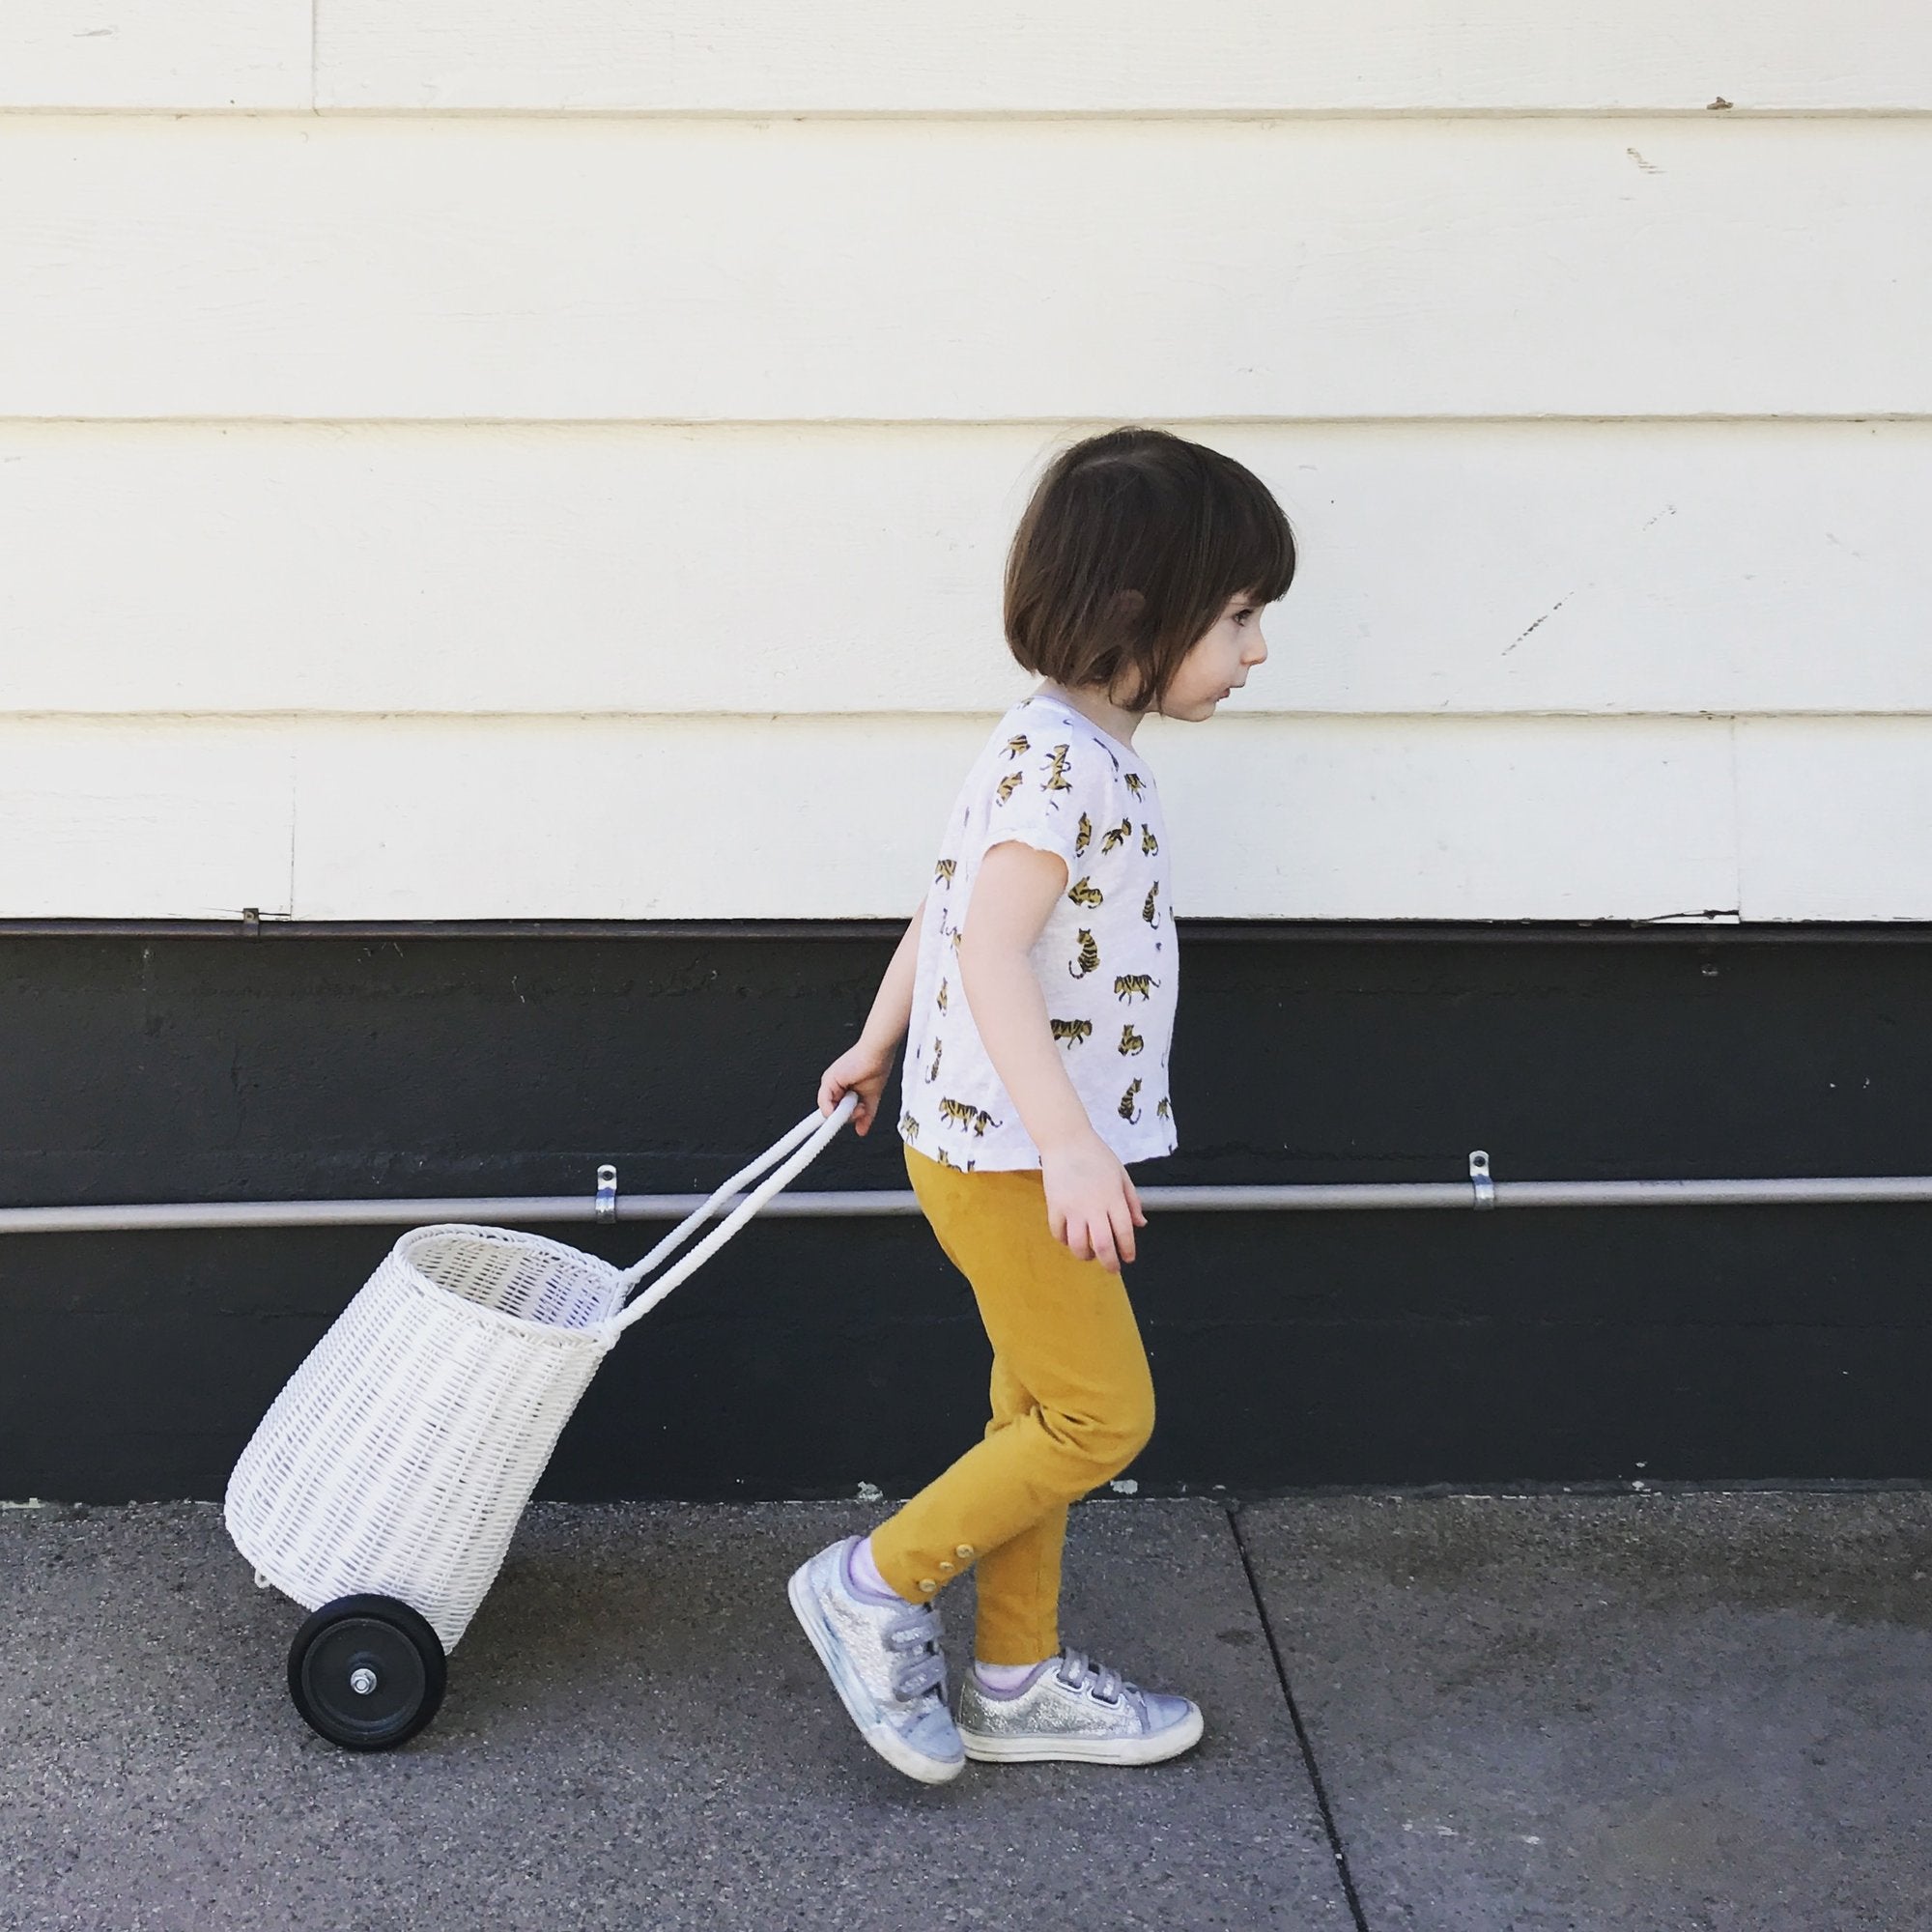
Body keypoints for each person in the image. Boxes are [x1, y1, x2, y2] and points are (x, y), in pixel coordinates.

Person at [788, 426, 1296, 1784]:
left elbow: (946, 905)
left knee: (1037, 1411)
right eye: (1237, 617)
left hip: (1000, 1147)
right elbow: (991, 945)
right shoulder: (1061, 764)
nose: (1256, 651)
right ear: (1138, 614)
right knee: (1099, 1417)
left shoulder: (1050, 746)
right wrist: (1071, 1148)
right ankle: (874, 1583)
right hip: (1015, 1160)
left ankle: (1014, 1679)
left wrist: (875, 1039)